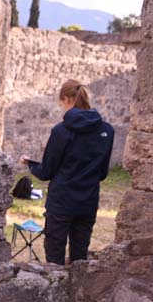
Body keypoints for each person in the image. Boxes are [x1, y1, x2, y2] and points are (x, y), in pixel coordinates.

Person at [20, 80, 114, 265]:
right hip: (88, 201)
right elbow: (102, 173)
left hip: (62, 202)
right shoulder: (107, 130)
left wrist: (30, 164)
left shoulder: (61, 131)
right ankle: (78, 293)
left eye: (62, 103)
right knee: (80, 257)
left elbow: (46, 171)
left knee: (54, 258)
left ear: (68, 99)